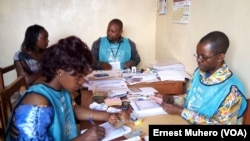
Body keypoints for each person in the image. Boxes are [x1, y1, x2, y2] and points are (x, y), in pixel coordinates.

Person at [6, 36, 121, 141]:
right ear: (60, 72)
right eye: (79, 76)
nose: (82, 81)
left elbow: (74, 109)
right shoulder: (38, 102)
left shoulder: (61, 89)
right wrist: (84, 138)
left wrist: (107, 115)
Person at [158, 31, 247, 124]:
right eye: (197, 55)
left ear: (220, 57)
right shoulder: (199, 73)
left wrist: (182, 112)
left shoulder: (232, 90)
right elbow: (190, 99)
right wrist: (173, 99)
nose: (198, 60)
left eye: (204, 57)